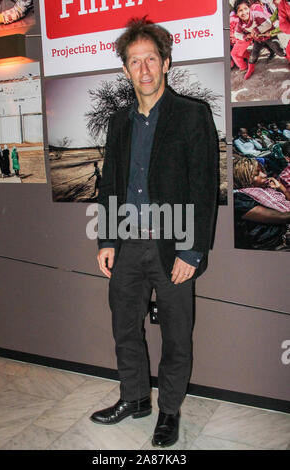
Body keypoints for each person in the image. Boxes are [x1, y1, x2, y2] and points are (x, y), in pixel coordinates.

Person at [90, 18, 218, 447]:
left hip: (173, 244)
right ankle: (134, 398)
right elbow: (109, 185)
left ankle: (169, 411)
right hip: (126, 244)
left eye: (150, 60)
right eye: (134, 62)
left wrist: (193, 250)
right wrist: (106, 240)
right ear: (125, 70)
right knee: (124, 326)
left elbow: (202, 189)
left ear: (165, 63)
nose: (143, 70)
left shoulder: (191, 116)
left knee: (176, 333)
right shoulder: (119, 123)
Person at [233, 156, 290, 250]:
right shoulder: (240, 200)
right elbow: (282, 217)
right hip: (275, 245)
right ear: (243, 179)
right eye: (256, 174)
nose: (264, 175)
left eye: (263, 171)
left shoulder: (268, 190)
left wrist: (282, 188)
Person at [233, 0, 286, 79]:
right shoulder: (240, 24)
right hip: (258, 40)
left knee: (279, 51)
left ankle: (287, 57)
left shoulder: (256, 15)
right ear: (237, 14)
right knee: (253, 56)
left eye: (245, 8)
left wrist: (256, 30)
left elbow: (268, 24)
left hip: (269, 36)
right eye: (240, 10)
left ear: (249, 8)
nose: (244, 12)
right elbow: (236, 34)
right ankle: (250, 70)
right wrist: (246, 36)